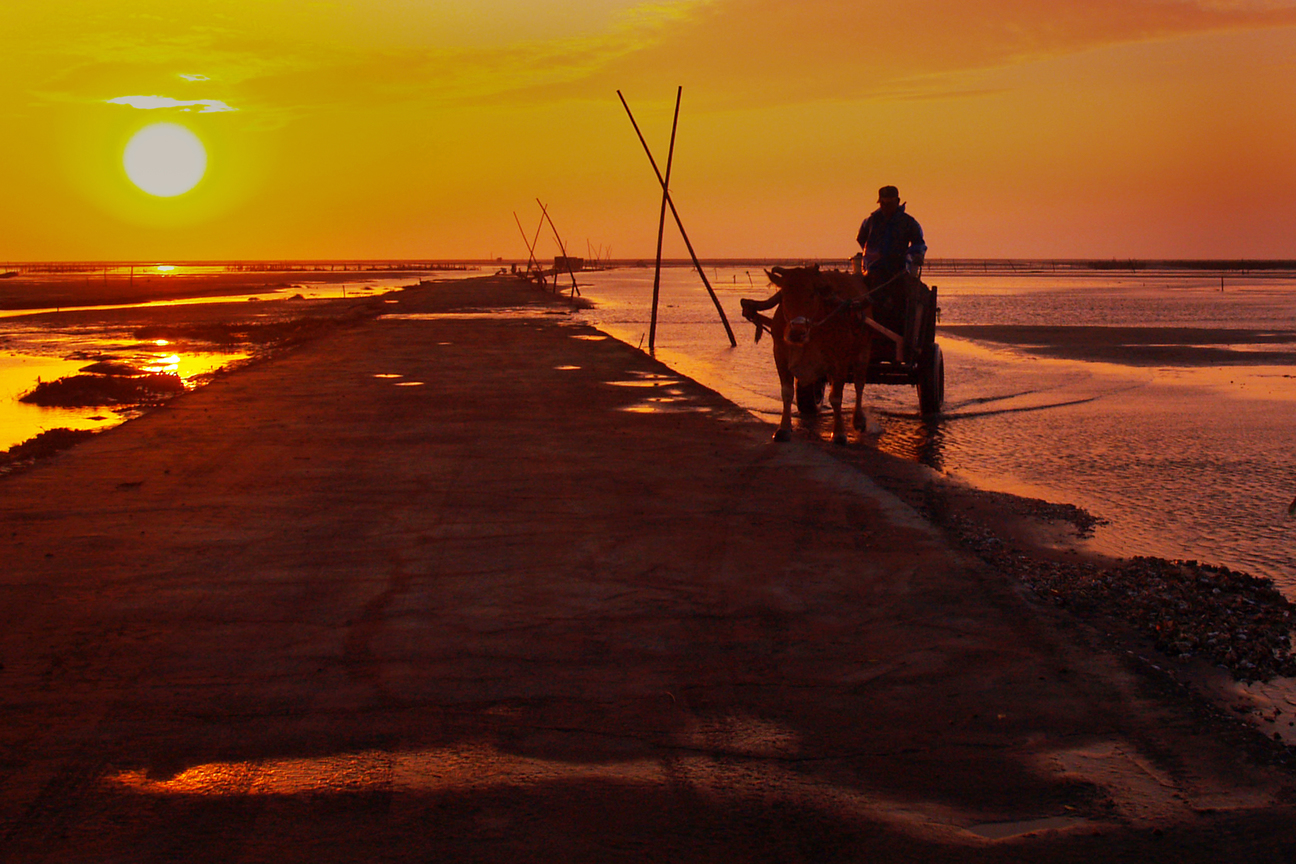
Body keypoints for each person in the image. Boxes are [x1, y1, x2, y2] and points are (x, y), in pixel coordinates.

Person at [856, 185, 926, 288]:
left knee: (901, 292)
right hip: (873, 268)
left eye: (889, 203)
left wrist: (915, 255)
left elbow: (919, 243)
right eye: (883, 203)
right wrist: (871, 253)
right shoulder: (871, 221)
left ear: (897, 201)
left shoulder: (908, 222)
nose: (885, 207)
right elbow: (861, 238)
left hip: (898, 269)